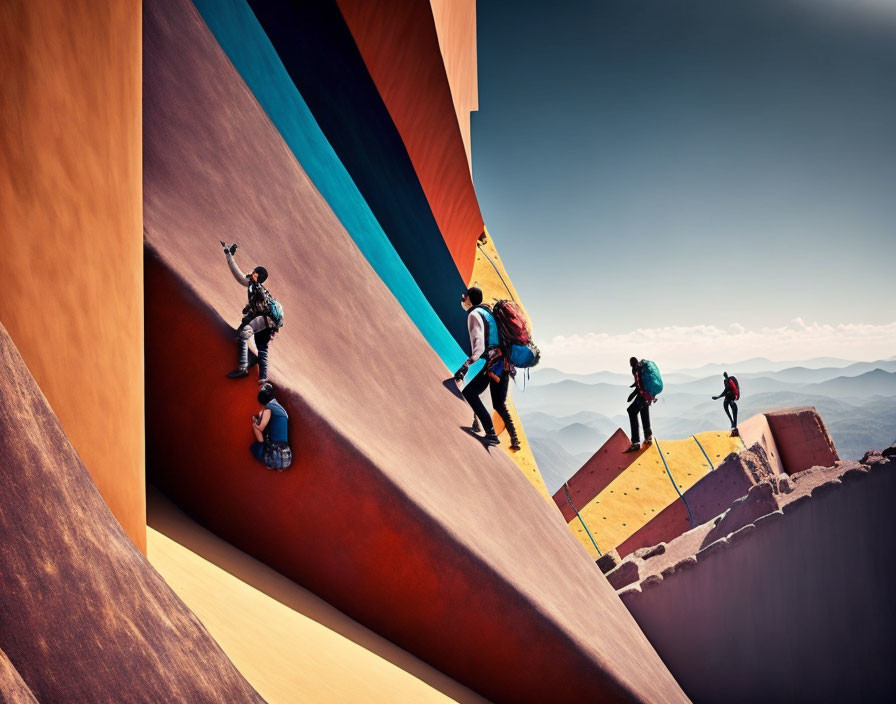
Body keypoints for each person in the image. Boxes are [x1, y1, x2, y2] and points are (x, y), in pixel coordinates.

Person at [453, 287, 521, 450]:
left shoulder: (474, 315)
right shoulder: (488, 312)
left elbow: (479, 346)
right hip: (504, 362)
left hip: (495, 362)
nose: (463, 300)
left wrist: (465, 367)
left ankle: (490, 433)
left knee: (470, 392)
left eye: (465, 297)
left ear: (470, 299)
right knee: (498, 403)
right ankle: (514, 439)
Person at [221, 241, 278, 383]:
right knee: (241, 333)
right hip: (265, 320)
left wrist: (251, 312)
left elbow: (262, 307)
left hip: (267, 321)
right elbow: (238, 274)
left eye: (254, 273)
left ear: (258, 277)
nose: (252, 272)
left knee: (244, 333)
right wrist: (229, 255)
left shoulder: (259, 290)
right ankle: (252, 358)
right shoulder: (253, 285)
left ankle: (243, 368)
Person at [251, 383, 292, 470]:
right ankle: (274, 465)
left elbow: (261, 427)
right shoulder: (281, 409)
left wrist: (255, 421)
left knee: (255, 428)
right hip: (287, 459)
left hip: (276, 457)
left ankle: (268, 459)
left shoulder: (269, 407)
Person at [624, 356, 653, 453]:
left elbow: (640, 386)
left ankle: (635, 442)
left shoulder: (636, 370)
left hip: (643, 395)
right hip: (648, 396)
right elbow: (639, 382)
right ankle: (648, 436)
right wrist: (635, 385)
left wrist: (632, 394)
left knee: (631, 411)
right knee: (643, 410)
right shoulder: (641, 369)